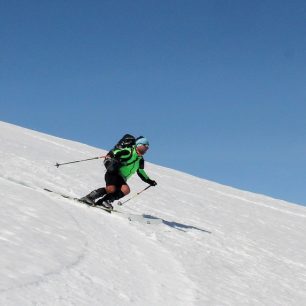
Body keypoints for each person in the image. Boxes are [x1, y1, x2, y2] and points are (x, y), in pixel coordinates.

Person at [80, 137, 157, 210]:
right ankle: (89, 197)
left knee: (126, 190)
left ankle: (104, 201)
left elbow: (140, 172)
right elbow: (115, 152)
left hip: (121, 178)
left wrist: (149, 181)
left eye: (148, 147)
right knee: (111, 189)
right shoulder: (129, 151)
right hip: (114, 172)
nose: (147, 148)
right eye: (145, 145)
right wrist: (110, 156)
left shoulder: (140, 160)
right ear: (138, 145)